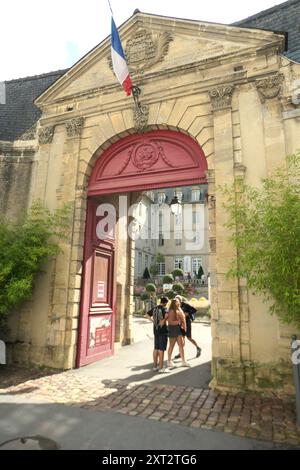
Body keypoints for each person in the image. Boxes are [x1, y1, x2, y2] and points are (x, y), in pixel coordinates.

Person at [146, 297, 169, 373]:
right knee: (161, 349)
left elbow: (147, 314)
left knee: (156, 348)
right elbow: (167, 316)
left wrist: (153, 321)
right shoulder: (165, 309)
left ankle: (155, 366)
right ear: (165, 302)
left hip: (155, 330)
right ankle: (161, 368)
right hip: (163, 331)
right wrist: (164, 320)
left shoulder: (154, 308)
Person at [167, 298, 191, 368]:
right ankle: (169, 361)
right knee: (172, 345)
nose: (178, 303)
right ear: (173, 303)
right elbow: (170, 322)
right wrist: (179, 322)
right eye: (177, 302)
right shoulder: (171, 311)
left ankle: (183, 361)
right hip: (173, 329)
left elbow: (183, 318)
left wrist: (184, 328)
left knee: (181, 344)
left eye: (179, 301)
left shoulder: (179, 309)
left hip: (179, 329)